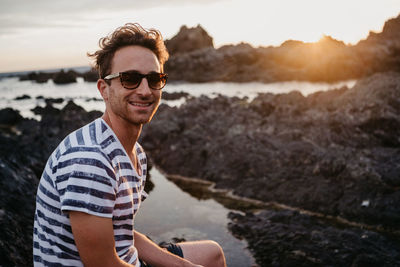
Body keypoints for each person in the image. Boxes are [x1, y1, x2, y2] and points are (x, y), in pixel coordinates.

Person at [33, 23, 227, 267]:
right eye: (130, 79)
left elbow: (122, 232)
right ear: (104, 89)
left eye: (154, 79)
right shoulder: (90, 159)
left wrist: (183, 266)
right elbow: (102, 264)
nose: (145, 91)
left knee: (212, 254)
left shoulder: (135, 153)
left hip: (124, 260)